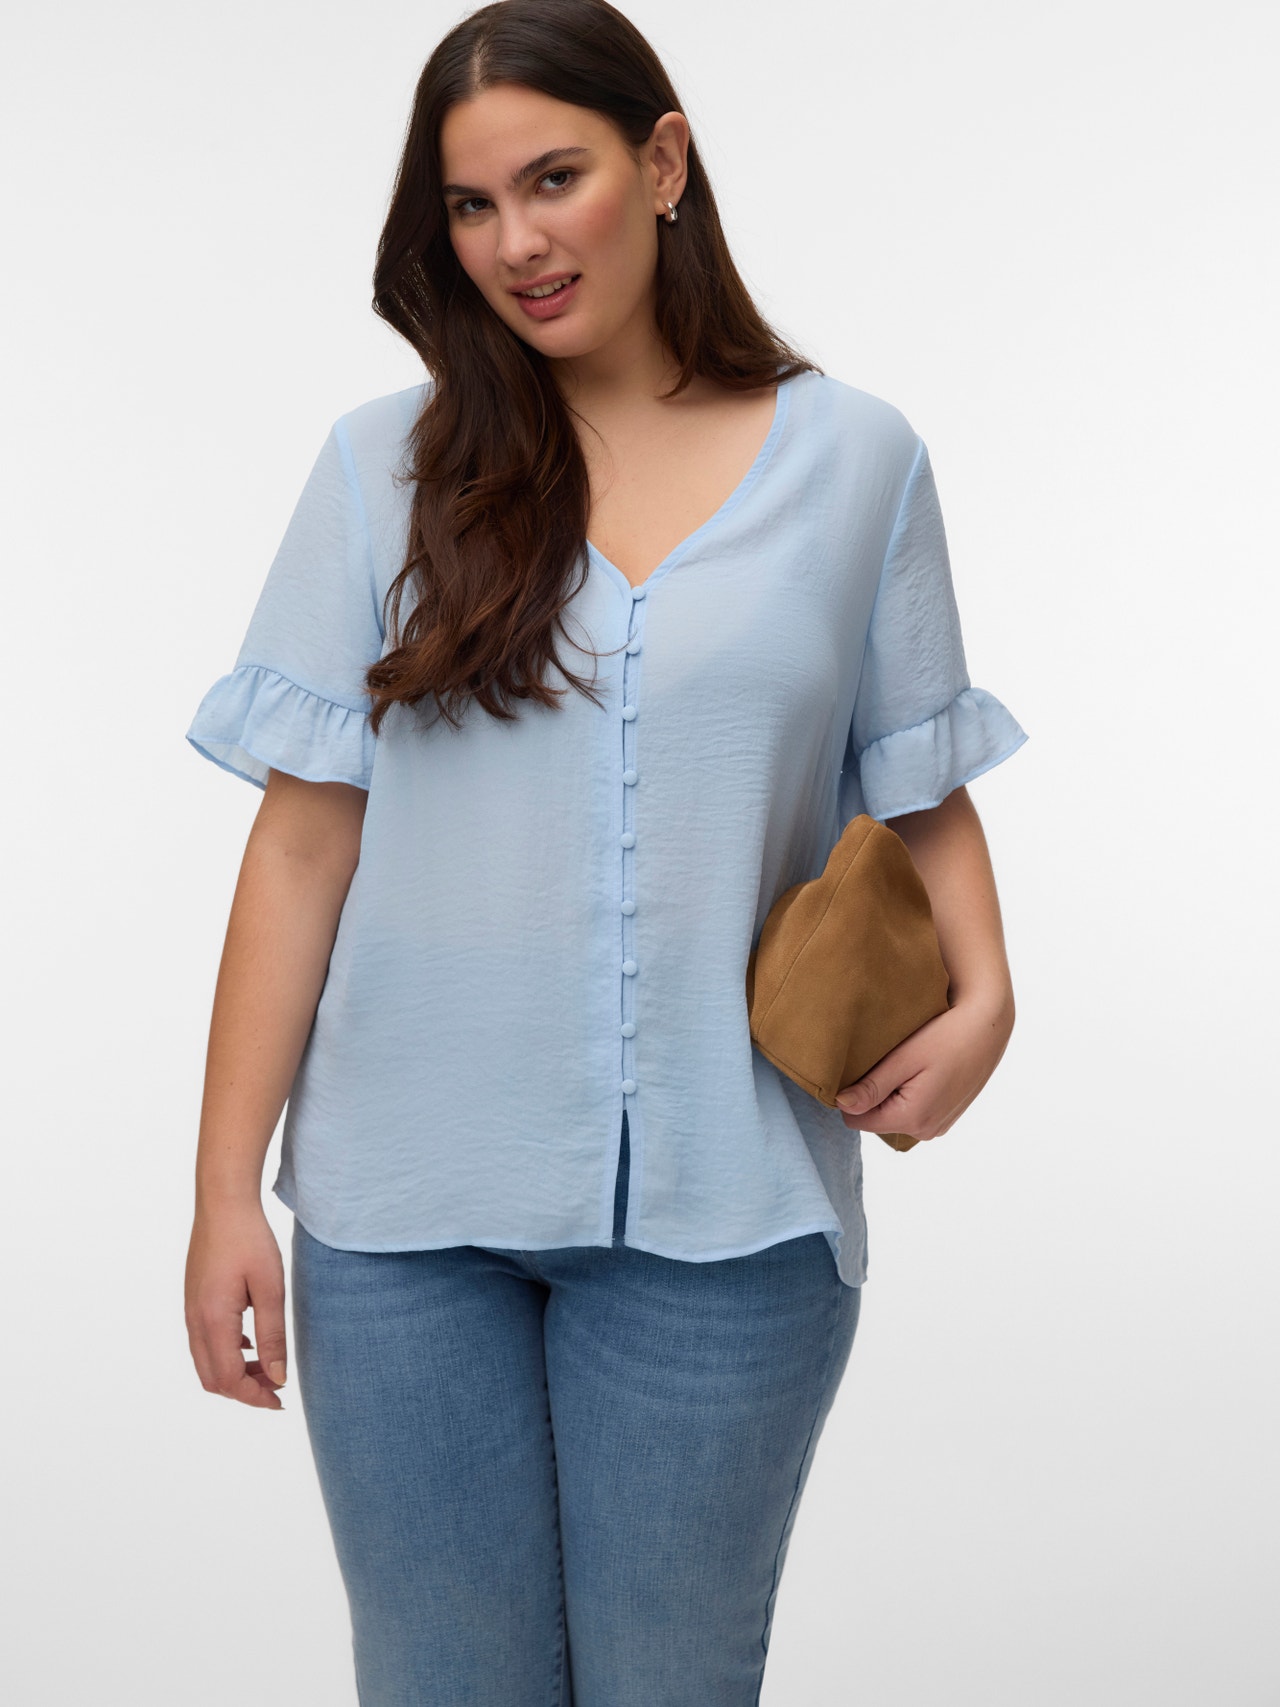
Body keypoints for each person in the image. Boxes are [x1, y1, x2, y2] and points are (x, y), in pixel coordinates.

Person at [182, 1, 1029, 1701]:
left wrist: (991, 995)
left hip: (732, 1213)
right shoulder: (382, 471)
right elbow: (300, 849)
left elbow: (917, 779)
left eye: (552, 179)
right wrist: (222, 1198)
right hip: (402, 1225)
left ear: (662, 162)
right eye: (471, 205)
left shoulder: (859, 461)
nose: (516, 241)